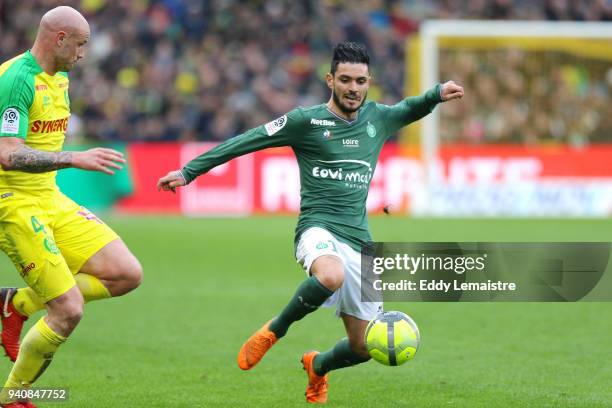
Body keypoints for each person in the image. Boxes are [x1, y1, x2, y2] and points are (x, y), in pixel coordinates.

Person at [158, 41, 463, 404]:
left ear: (369, 82)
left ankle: (317, 366)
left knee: (364, 347)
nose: (354, 88)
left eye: (361, 81)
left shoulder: (377, 119)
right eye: (346, 79)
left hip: (360, 240)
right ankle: (275, 330)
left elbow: (409, 108)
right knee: (331, 276)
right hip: (318, 227)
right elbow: (249, 140)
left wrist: (436, 94)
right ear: (329, 80)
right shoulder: (306, 121)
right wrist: (189, 171)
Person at [0, 7, 142, 407]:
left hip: (48, 196)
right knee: (68, 311)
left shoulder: (60, 78)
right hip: (12, 200)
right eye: (80, 45)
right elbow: (7, 154)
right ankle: (12, 397)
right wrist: (74, 158)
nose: (82, 55)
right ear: (59, 38)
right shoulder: (16, 80)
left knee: (126, 273)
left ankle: (17, 304)